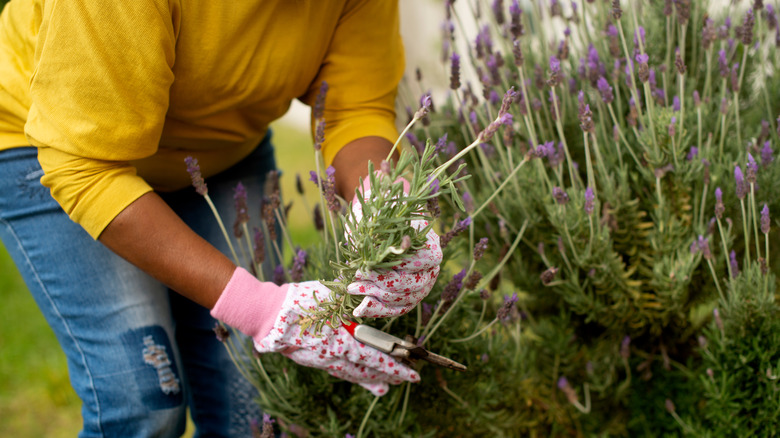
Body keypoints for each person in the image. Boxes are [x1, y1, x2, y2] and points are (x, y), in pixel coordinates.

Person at [0, 0, 442, 436]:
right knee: (144, 404)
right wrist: (261, 308)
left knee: (251, 406)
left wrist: (385, 203)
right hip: (55, 144)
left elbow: (356, 108)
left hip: (221, 153)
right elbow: (88, 171)